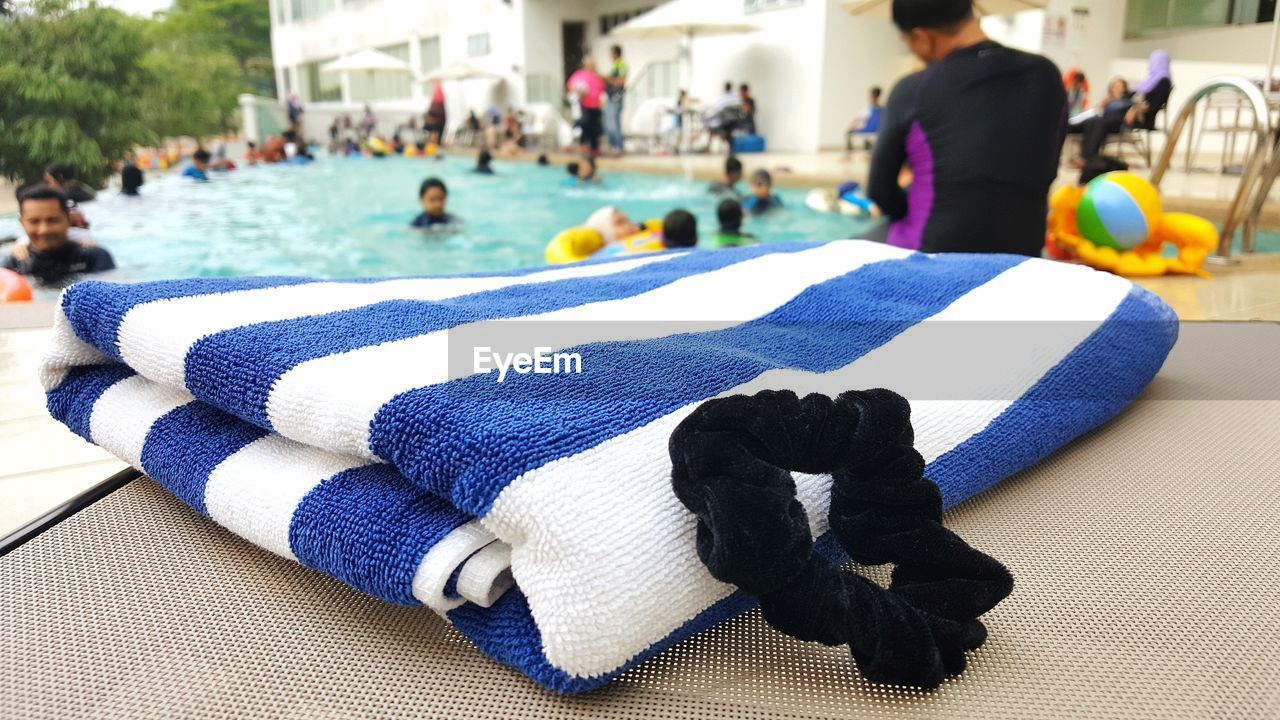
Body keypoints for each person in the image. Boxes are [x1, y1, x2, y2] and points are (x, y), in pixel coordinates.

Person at [866, 0, 1066, 256]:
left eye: (907, 42)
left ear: (921, 37)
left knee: (854, 247)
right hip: (1023, 252)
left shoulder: (914, 88)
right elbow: (1046, 165)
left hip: (936, 257)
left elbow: (879, 190)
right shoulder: (1047, 74)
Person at [3, 186, 114, 286]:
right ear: (22, 223)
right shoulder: (13, 264)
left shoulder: (93, 257)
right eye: (34, 221)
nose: (44, 230)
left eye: (53, 220)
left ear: (68, 220)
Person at [1079, 50, 1172, 162]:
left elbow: (1154, 105)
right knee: (1093, 120)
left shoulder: (1163, 81)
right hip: (1122, 115)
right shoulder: (1151, 79)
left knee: (1099, 122)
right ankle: (1086, 157)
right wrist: (1113, 98)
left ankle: (1089, 158)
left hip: (1139, 119)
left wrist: (1135, 109)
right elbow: (1130, 95)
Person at [567, 58, 606, 156]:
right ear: (586, 66)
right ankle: (583, 144)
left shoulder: (598, 77)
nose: (593, 67)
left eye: (594, 65)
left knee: (595, 127)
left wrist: (603, 101)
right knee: (585, 123)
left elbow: (602, 90)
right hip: (584, 104)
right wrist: (577, 93)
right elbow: (570, 85)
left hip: (596, 105)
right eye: (591, 65)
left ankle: (594, 147)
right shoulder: (579, 74)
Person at [702, 83, 742, 154]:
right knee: (727, 131)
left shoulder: (721, 99)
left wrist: (706, 119)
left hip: (723, 124)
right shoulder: (737, 98)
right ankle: (730, 147)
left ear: (724, 88)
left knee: (711, 128)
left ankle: (708, 148)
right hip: (735, 123)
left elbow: (715, 111)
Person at [846, 86, 884, 156]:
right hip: (876, 130)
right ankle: (867, 153)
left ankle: (849, 155)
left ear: (873, 96)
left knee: (849, 132)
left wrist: (853, 126)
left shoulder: (869, 109)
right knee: (867, 137)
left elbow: (859, 119)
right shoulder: (882, 108)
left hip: (871, 130)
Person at [605, 45, 629, 156]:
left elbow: (621, 82)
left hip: (616, 98)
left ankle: (617, 146)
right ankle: (615, 146)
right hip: (612, 97)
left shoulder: (621, 65)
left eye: (611, 53)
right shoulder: (615, 65)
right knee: (613, 122)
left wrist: (607, 79)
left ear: (615, 54)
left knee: (613, 123)